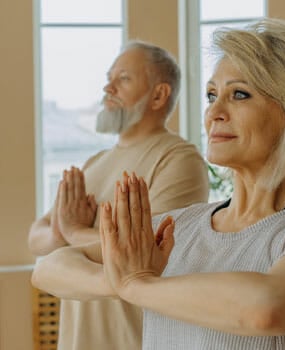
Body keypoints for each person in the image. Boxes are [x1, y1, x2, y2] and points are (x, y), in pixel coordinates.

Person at [32, 18, 285, 349]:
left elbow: (266, 310)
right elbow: (48, 268)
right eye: (212, 95)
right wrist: (119, 281)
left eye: (239, 94)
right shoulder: (182, 226)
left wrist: (137, 283)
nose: (214, 112)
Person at [28, 40, 209, 350]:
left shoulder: (179, 159)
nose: (107, 87)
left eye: (123, 78)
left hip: (136, 340)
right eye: (109, 77)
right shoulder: (94, 163)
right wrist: (62, 231)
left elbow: (149, 250)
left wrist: (72, 230)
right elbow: (37, 238)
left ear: (158, 94)